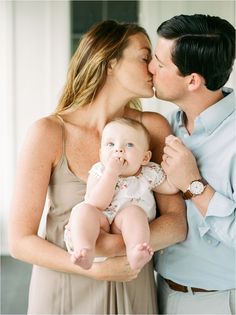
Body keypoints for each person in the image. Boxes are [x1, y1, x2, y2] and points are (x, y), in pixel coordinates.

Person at [8, 20, 186, 314]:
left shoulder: (153, 128)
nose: (154, 68)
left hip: (132, 286)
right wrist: (96, 269)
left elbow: (177, 224)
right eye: (145, 57)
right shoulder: (49, 132)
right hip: (64, 288)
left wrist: (115, 249)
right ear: (110, 61)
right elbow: (19, 242)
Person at [148, 14, 236, 314]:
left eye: (160, 64)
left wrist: (193, 185)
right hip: (159, 292)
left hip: (219, 302)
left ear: (193, 80)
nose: (151, 69)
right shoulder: (165, 127)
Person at [64, 118, 179, 271]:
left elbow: (172, 188)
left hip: (126, 225)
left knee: (134, 212)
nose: (118, 150)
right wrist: (111, 173)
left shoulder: (148, 173)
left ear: (144, 158)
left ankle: (135, 252)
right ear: (101, 153)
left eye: (129, 145)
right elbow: (96, 203)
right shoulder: (100, 171)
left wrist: (176, 163)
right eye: (110, 144)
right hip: (100, 222)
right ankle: (85, 250)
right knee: (82, 210)